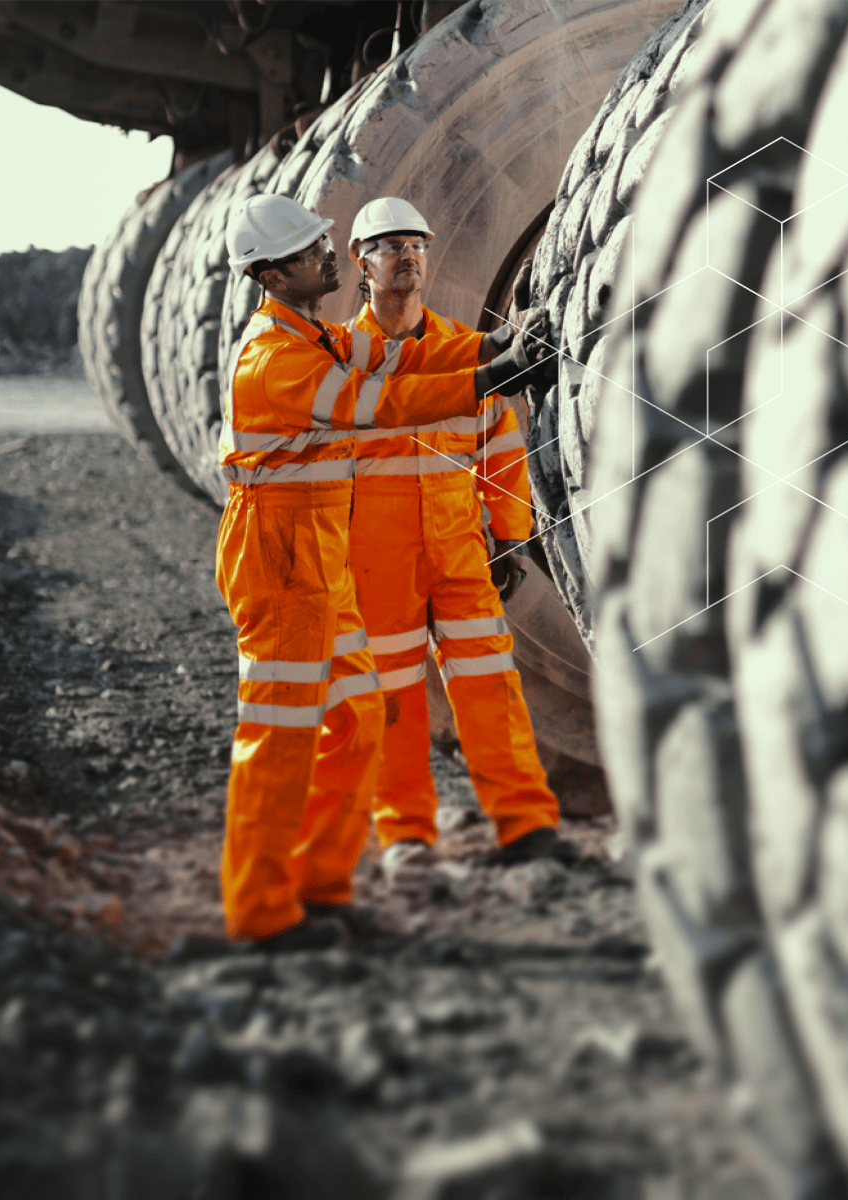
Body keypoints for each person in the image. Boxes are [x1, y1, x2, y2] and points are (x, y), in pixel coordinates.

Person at [217, 193, 542, 948]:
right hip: (279, 562)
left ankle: (322, 891)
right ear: (270, 275)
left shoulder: (318, 338)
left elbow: (404, 355)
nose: (327, 258)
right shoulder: (277, 361)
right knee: (279, 737)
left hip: (317, 555)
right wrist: (492, 380)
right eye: (309, 253)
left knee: (359, 715)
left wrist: (506, 350)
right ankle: (262, 913)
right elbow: (382, 404)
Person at [343, 196, 574, 889]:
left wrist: (507, 536)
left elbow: (501, 448)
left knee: (490, 688)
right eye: (390, 246)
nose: (408, 255)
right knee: (394, 699)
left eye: (416, 243)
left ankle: (526, 824)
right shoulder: (343, 362)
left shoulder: (460, 349)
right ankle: (407, 835)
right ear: (361, 263)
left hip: (457, 548)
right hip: (378, 557)